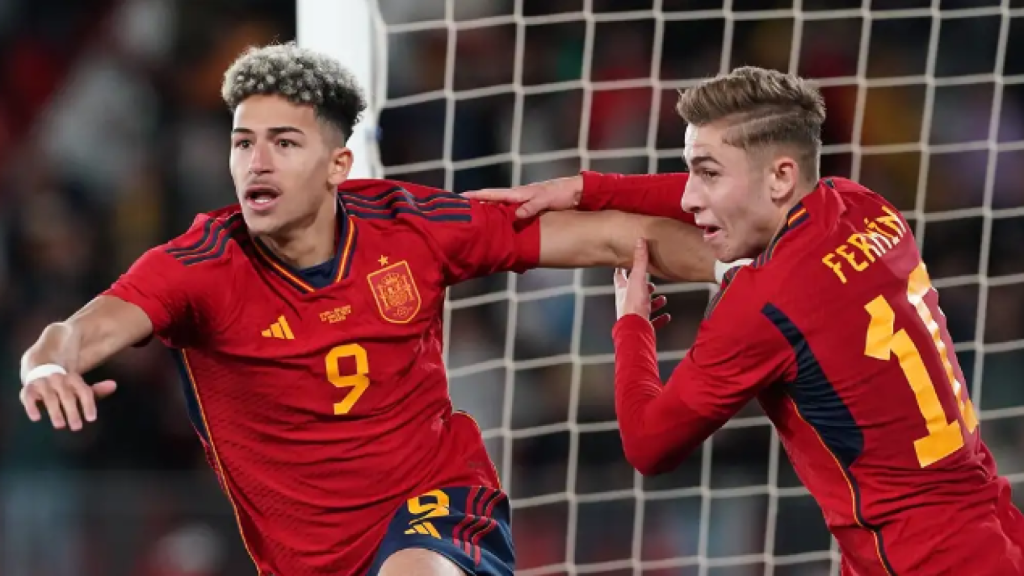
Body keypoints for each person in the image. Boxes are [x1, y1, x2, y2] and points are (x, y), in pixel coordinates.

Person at [16, 43, 724, 576]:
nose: (255, 164)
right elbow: (81, 329)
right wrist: (46, 367)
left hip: (436, 510)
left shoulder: (409, 227)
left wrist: (745, 266)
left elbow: (608, 234)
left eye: (284, 143)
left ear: (337, 167)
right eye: (242, 143)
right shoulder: (200, 267)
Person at [464, 66, 1024, 575]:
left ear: (780, 177)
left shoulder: (763, 305)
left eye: (707, 173)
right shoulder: (867, 208)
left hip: (920, 562)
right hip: (990, 526)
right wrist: (589, 190)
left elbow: (647, 445)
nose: (688, 195)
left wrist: (631, 326)